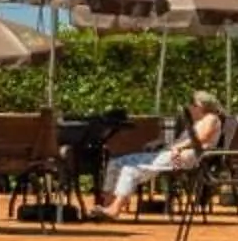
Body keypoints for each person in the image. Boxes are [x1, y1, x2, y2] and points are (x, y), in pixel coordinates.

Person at [91, 90, 224, 219]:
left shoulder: (211, 118)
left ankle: (115, 209)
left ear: (202, 106)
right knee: (117, 162)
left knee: (130, 169)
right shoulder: (199, 121)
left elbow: (201, 138)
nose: (189, 107)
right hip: (174, 153)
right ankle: (108, 204)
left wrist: (178, 146)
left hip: (184, 157)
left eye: (193, 104)